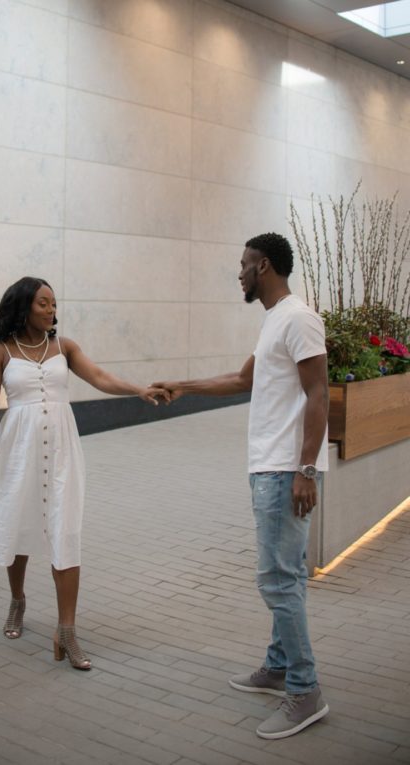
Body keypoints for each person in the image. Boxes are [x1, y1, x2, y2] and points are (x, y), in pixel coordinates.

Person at [153, 232, 330, 740]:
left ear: (265, 267)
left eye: (245, 264)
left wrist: (306, 469)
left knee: (276, 579)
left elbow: (317, 393)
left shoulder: (298, 318)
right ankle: (278, 666)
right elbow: (242, 379)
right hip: (269, 467)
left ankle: (305, 689)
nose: (239, 272)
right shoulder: (274, 320)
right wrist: (181, 386)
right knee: (287, 575)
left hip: (284, 470)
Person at [0, 276, 166, 670]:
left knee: (65, 532)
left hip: (64, 451)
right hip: (19, 449)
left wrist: (138, 389)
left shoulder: (64, 347)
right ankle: (18, 600)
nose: (52, 310)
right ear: (23, 307)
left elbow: (101, 377)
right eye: (43, 304)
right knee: (18, 526)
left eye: (54, 304)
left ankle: (67, 631)